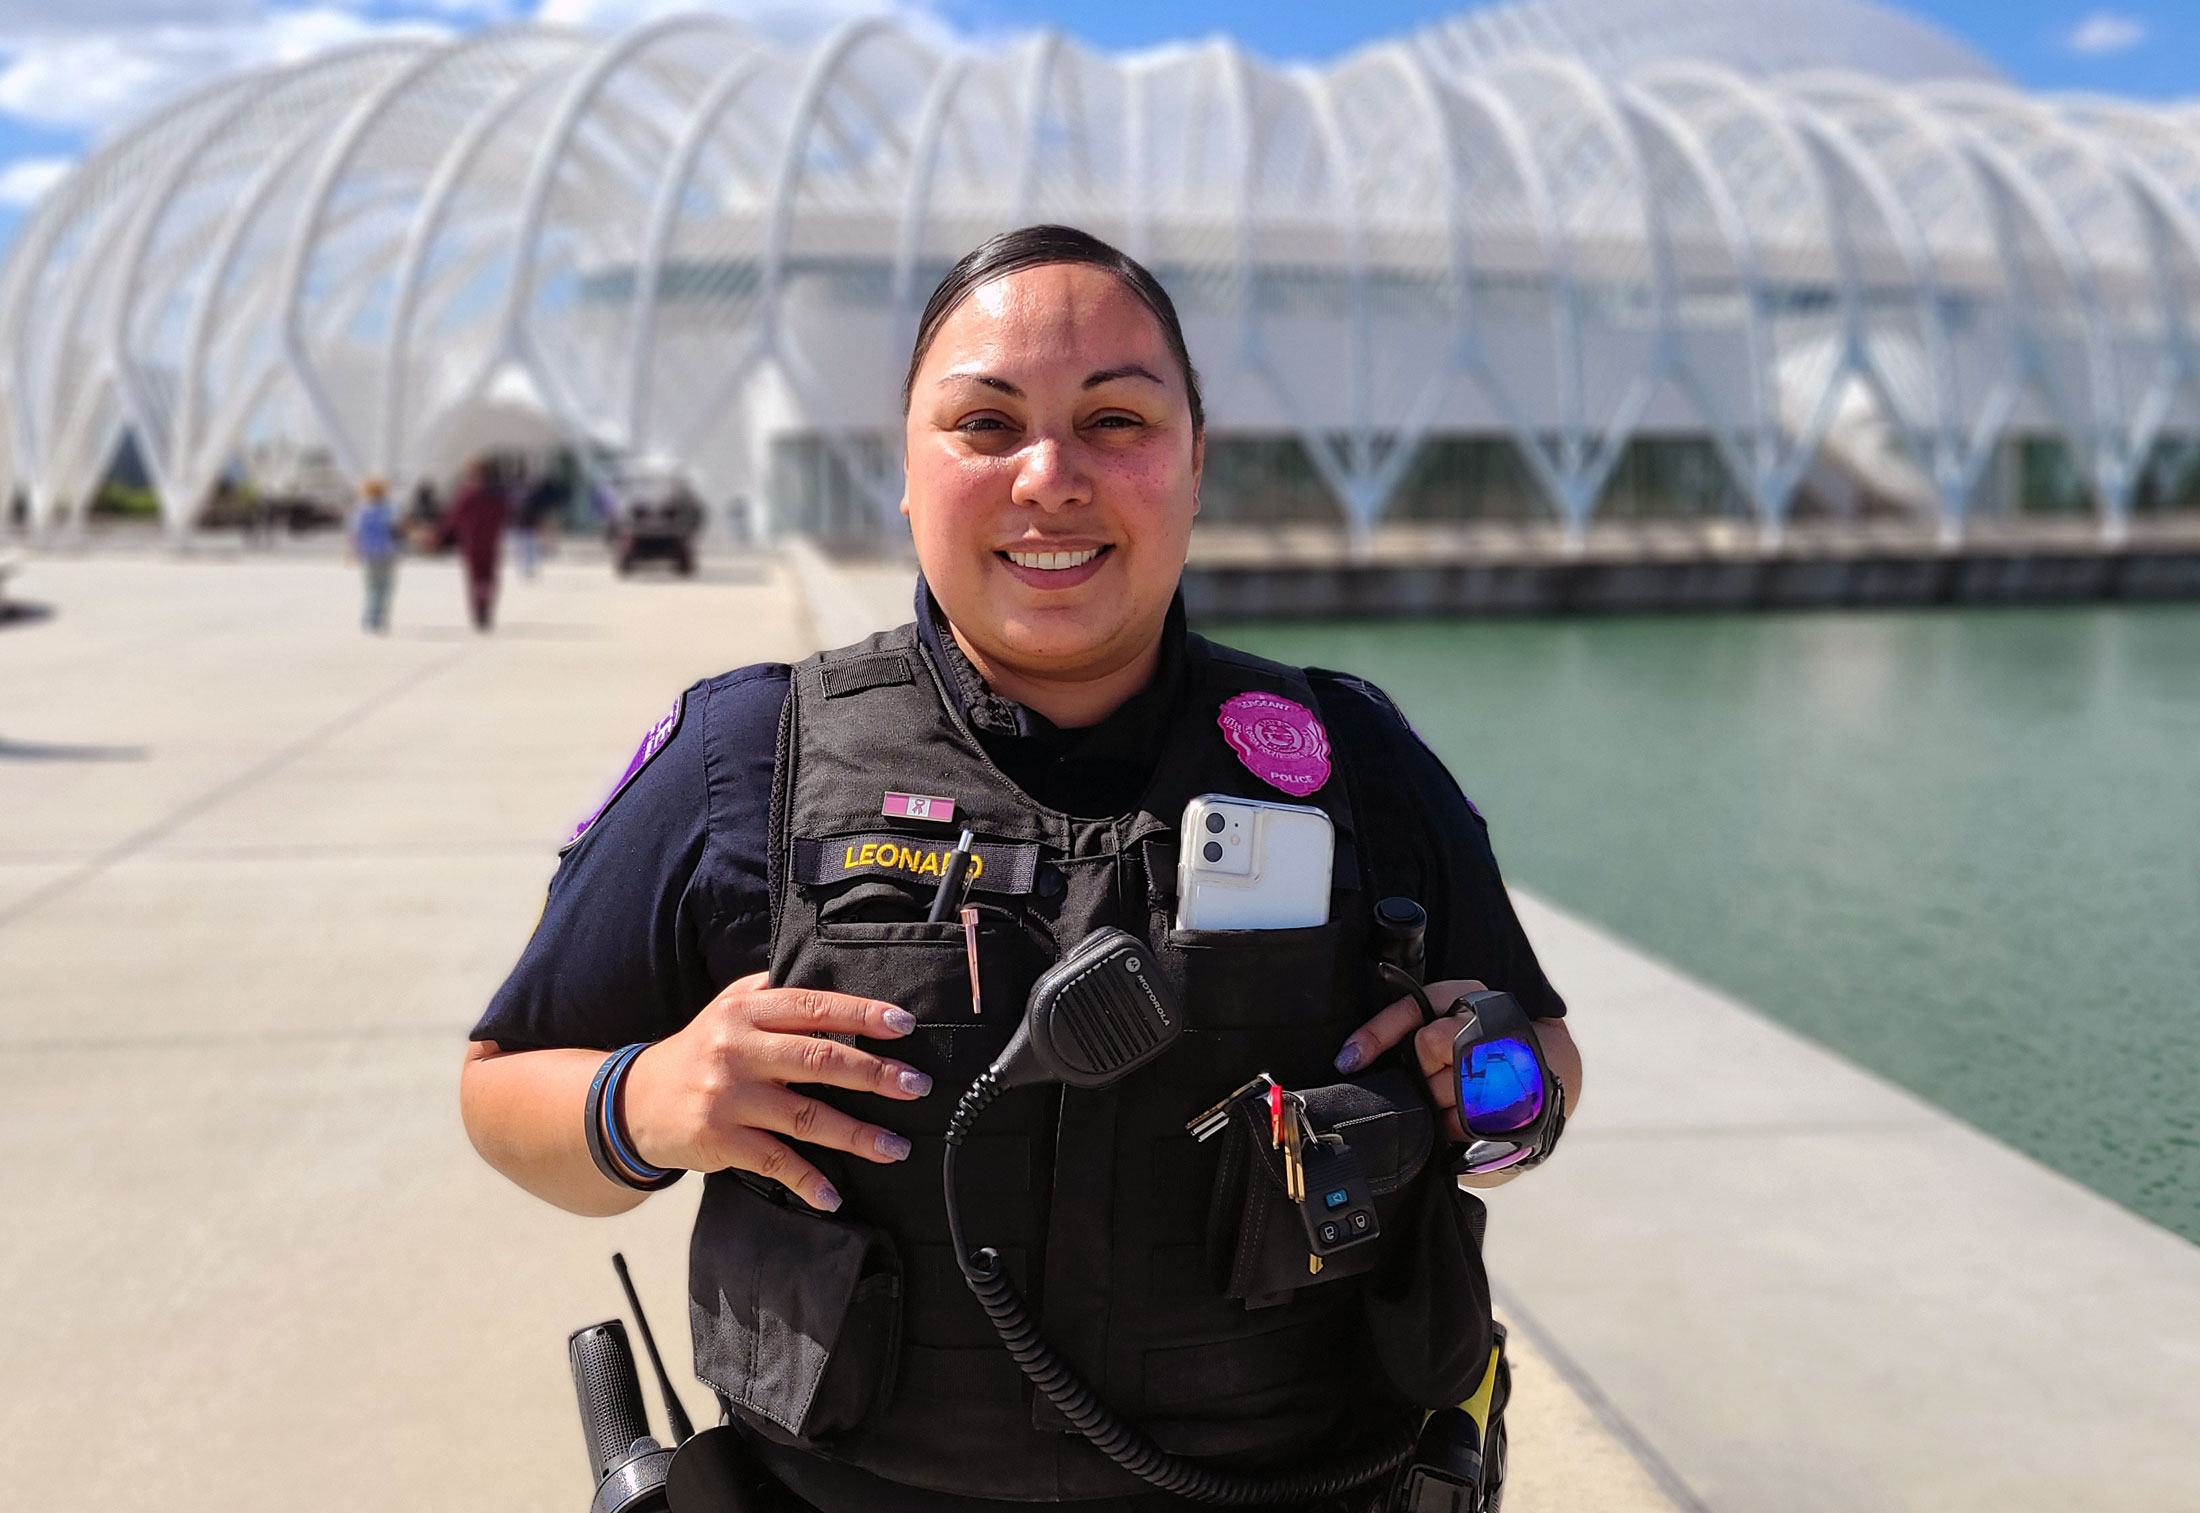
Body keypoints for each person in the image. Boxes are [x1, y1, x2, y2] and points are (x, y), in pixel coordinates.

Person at [460, 226, 1582, 1512]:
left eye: (1116, 419)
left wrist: (1490, 1091)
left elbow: (1537, 1053)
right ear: (906, 470)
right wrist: (645, 1098)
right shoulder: (745, 754)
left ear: (1195, 465)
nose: (1050, 477)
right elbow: (500, 1093)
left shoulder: (1349, 759)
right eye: (985, 424)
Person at [442, 459, 507, 631]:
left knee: (475, 579)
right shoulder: (498, 495)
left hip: (471, 542)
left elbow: (453, 517)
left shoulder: (467, 493)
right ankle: (486, 608)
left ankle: (479, 611)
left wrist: (439, 536)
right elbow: (506, 516)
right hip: (491, 542)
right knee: (489, 578)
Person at [350, 475, 399, 633]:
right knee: (385, 588)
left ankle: (370, 617)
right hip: (387, 552)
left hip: (369, 553)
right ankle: (380, 616)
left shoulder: (362, 510)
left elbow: (356, 533)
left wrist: (353, 550)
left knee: (371, 587)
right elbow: (396, 529)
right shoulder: (389, 509)